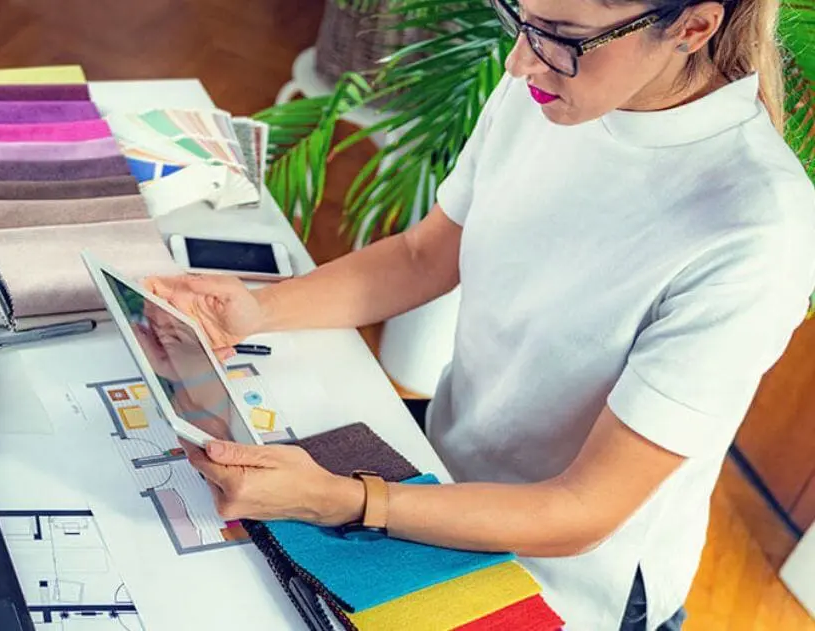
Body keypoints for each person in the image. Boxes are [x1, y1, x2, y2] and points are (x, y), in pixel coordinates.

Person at [146, 0, 815, 627]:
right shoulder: (549, 85)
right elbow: (422, 256)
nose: (519, 60)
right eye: (519, 17)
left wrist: (340, 498)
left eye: (560, 36)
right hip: (438, 465)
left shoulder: (757, 231)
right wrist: (253, 310)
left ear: (692, 28)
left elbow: (583, 509)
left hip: (563, 574)